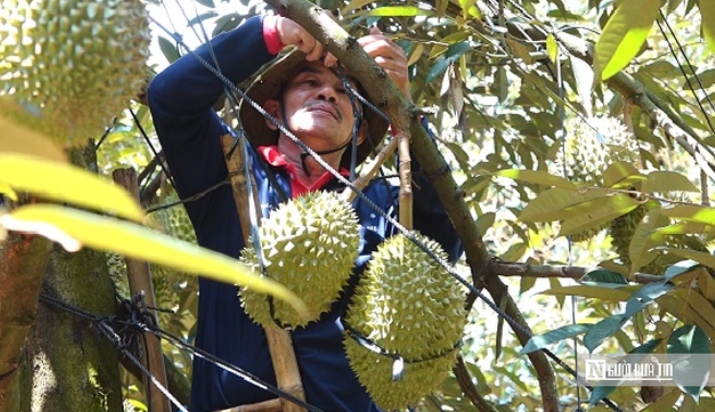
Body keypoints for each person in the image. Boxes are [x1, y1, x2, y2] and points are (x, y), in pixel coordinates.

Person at [148, 11, 462, 412]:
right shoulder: (232, 173)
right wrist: (273, 32)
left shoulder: (380, 204)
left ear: (360, 132)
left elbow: (445, 236)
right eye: (310, 83)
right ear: (273, 110)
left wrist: (403, 111)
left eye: (345, 92)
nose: (328, 93)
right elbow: (170, 99)